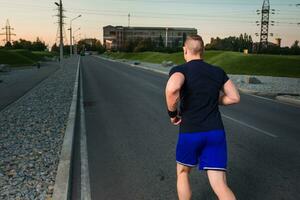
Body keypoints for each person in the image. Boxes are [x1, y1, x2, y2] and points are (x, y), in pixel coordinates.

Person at [165, 35, 240, 200]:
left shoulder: (181, 70)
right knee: (220, 185)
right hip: (215, 132)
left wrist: (172, 114)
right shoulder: (217, 72)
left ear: (185, 50)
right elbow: (234, 97)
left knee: (183, 172)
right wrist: (214, 99)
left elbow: (172, 89)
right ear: (203, 51)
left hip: (190, 132)